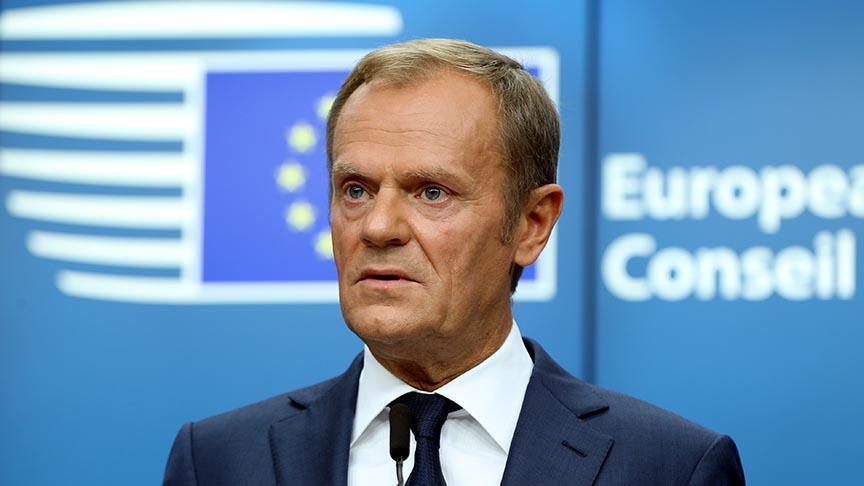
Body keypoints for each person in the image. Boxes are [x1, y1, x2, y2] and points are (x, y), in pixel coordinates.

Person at [163, 38, 745, 486]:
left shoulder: (670, 467)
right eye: (356, 189)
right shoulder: (217, 460)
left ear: (532, 224)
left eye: (431, 192)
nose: (378, 227)